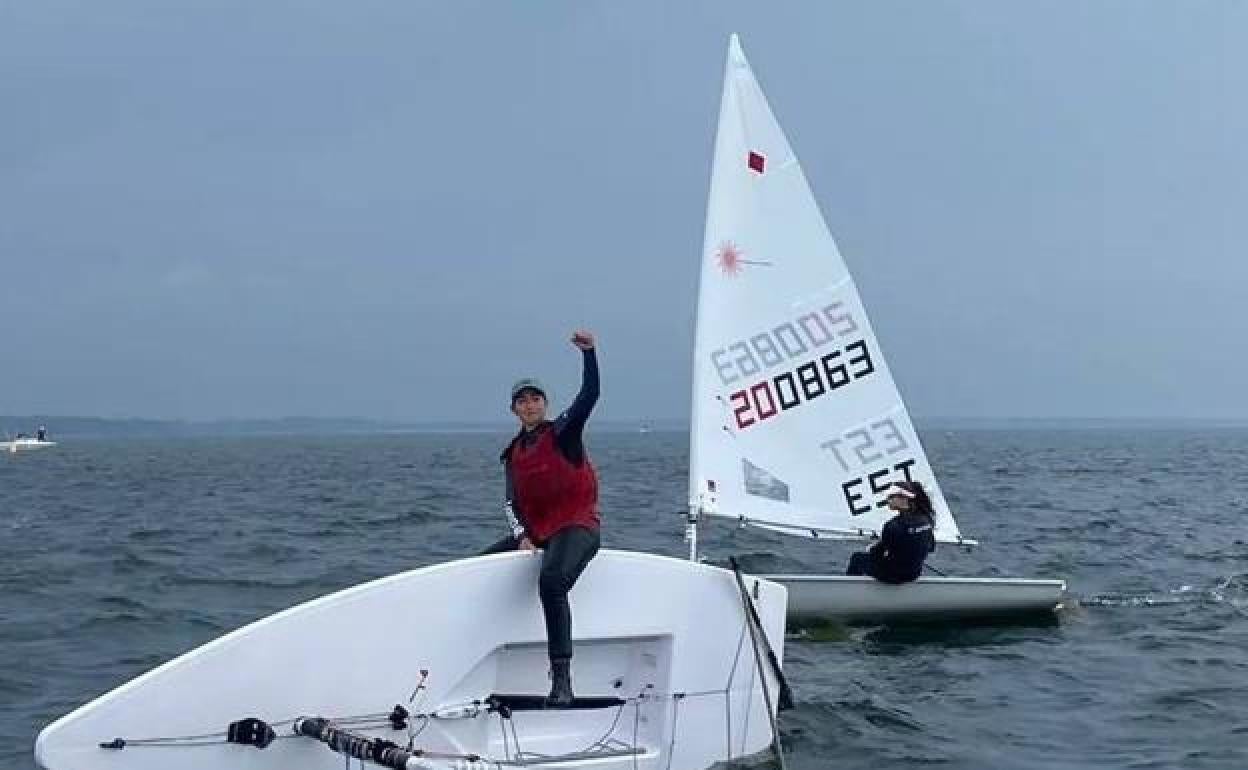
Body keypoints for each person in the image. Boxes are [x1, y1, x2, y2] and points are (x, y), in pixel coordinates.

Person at [482, 329, 601, 707]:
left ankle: (562, 679)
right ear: (514, 409)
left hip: (578, 526)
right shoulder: (513, 453)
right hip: (538, 532)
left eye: (535, 399)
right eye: (522, 401)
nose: (530, 405)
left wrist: (589, 354)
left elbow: (590, 396)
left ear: (545, 404)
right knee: (477, 568)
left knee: (551, 581)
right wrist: (520, 537)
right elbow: (510, 504)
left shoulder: (563, 431)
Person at [846, 480, 936, 584]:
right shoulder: (926, 520)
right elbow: (931, 547)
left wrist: (873, 547)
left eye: (891, 497)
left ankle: (849, 591)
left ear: (904, 498)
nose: (888, 500)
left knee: (857, 558)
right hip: (914, 575)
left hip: (893, 577)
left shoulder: (892, 525)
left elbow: (877, 553)